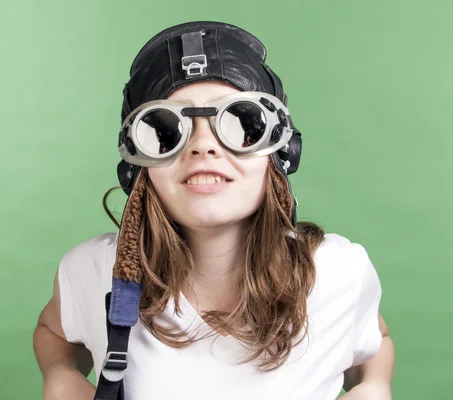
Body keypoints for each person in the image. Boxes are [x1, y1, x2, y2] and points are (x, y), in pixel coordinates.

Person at [33, 21, 395, 400]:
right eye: (166, 130)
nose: (204, 146)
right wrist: (59, 374)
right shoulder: (94, 271)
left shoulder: (338, 271)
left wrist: (373, 385)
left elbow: (375, 338)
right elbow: (53, 331)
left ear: (281, 155)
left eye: (241, 123)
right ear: (138, 169)